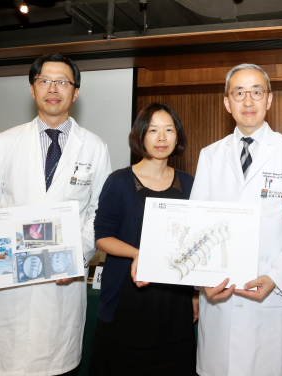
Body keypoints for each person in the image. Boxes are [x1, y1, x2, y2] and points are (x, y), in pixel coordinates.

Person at [0, 53, 112, 376]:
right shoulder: (7, 141)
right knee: (4, 365)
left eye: (63, 82)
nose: (53, 88)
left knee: (57, 366)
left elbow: (99, 213)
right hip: (6, 281)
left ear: (75, 92)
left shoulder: (94, 147)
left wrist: (73, 255)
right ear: (32, 89)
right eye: (44, 81)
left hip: (61, 283)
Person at [190, 63, 282, 376]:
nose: (248, 101)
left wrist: (276, 277)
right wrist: (202, 281)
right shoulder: (210, 155)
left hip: (272, 301)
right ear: (226, 102)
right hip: (220, 300)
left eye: (256, 92)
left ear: (269, 100)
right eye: (239, 93)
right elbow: (196, 226)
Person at [88, 103, 197, 375]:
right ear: (140, 135)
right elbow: (102, 236)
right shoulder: (119, 181)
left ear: (178, 136)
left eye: (169, 130)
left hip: (174, 300)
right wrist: (139, 254)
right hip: (128, 295)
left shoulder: (190, 183)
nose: (162, 138)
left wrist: (195, 295)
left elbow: (196, 240)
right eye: (153, 130)